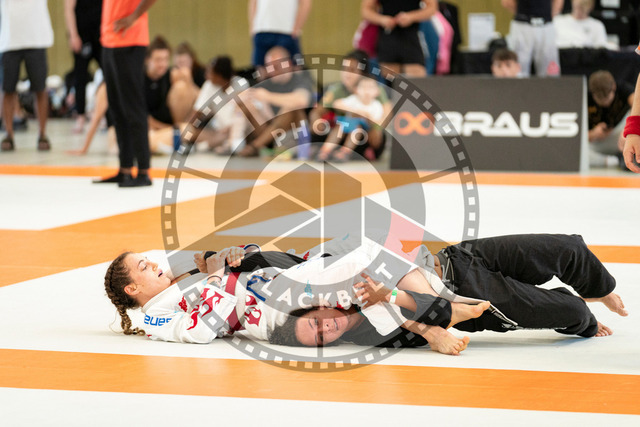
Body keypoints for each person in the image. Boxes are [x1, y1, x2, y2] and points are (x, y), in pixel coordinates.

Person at [270, 234, 627, 348]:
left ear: (315, 307)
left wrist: (240, 257)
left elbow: (276, 261)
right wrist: (429, 327)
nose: (326, 327)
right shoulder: (370, 334)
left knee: (568, 248)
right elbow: (424, 320)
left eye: (315, 322)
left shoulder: (329, 279)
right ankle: (575, 306)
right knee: (575, 314)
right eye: (321, 338)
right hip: (470, 295)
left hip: (454, 257)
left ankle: (599, 288)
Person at [94, 0, 158, 187]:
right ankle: (125, 169)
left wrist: (134, 16)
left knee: (133, 107)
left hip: (130, 40)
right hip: (109, 40)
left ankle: (144, 171)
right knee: (116, 108)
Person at [309, 50, 391, 161]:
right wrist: (316, 121)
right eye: (344, 69)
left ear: (362, 73)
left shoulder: (373, 89)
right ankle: (326, 151)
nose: (347, 74)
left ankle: (347, 153)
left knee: (372, 134)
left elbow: (387, 112)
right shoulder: (337, 89)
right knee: (334, 128)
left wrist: (376, 128)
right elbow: (318, 110)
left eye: (352, 70)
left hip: (365, 133)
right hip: (341, 132)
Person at [237, 46, 313, 157]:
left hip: (294, 132)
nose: (272, 71)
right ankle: (237, 142)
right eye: (268, 67)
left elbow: (302, 100)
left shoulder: (300, 79)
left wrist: (267, 96)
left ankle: (255, 146)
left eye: (275, 67)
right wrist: (257, 103)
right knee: (246, 105)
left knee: (291, 107)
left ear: (287, 64)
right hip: (271, 132)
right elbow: (241, 97)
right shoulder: (267, 82)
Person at [0, 0, 54, 152]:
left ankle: (42, 134)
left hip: (36, 37)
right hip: (10, 38)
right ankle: (8, 134)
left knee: (40, 88)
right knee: (7, 89)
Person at [316, 76, 385, 162]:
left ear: (377, 91)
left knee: (357, 129)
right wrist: (355, 111)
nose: (366, 91)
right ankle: (325, 150)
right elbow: (337, 104)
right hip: (347, 123)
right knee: (339, 128)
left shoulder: (376, 105)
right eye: (363, 87)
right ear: (356, 90)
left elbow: (376, 122)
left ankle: (345, 152)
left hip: (362, 130)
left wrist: (366, 116)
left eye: (370, 87)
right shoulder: (353, 99)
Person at [361, 0, 437, 77]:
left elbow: (432, 8)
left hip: (411, 37)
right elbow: (366, 10)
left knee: (417, 75)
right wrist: (382, 20)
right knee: (389, 77)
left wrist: (411, 17)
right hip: (388, 36)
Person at [192, 56, 249, 154]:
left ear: (219, 76)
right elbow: (197, 112)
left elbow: (245, 112)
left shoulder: (241, 84)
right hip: (218, 130)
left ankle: (211, 145)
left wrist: (230, 127)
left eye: (210, 72)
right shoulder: (208, 85)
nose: (206, 75)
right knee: (191, 131)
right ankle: (225, 143)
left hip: (240, 127)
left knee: (237, 112)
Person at [64, 0, 104, 134]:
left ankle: (107, 115)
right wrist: (73, 35)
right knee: (80, 77)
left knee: (109, 76)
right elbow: (68, 10)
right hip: (82, 36)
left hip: (101, 34)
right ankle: (80, 115)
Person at [501, 0, 563, 77]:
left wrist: (544, 15)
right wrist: (524, 14)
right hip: (522, 25)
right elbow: (507, 2)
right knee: (518, 70)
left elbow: (558, 2)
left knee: (550, 71)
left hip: (546, 25)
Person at [587, 70, 634, 169]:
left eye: (607, 97)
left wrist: (628, 129)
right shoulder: (585, 97)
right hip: (599, 142)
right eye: (600, 99)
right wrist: (593, 134)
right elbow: (575, 135)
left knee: (634, 114)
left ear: (614, 87)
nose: (605, 102)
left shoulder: (622, 88)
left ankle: (630, 155)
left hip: (621, 133)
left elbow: (637, 106)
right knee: (579, 152)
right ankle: (612, 161)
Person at [249, 0, 312, 67]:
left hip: (287, 31)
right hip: (262, 30)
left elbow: (306, 3)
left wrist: (297, 28)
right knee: (259, 67)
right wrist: (253, 26)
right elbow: (253, 2)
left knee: (297, 66)